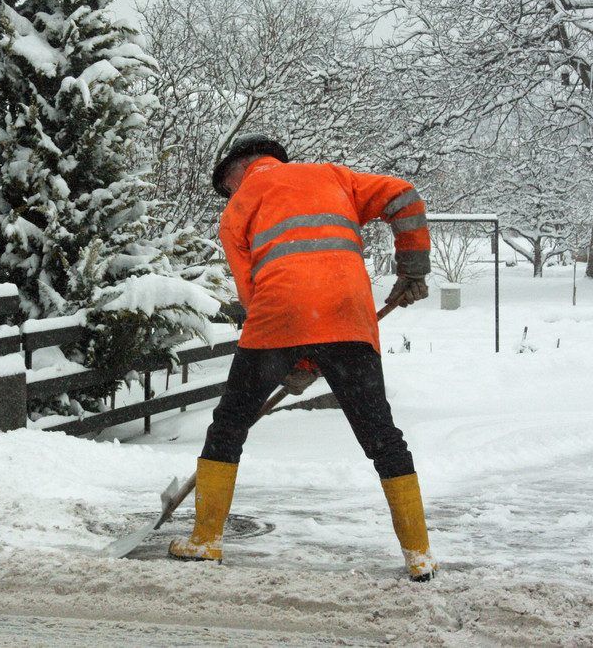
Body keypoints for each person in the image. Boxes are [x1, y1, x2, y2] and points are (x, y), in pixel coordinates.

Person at [168, 134, 437, 582]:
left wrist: (288, 357)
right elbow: (404, 196)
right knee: (382, 436)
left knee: (230, 424)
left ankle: (206, 541)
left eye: (228, 182)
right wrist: (412, 268)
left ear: (241, 167)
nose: (231, 192)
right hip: (349, 317)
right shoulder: (333, 176)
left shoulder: (237, 209)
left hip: (278, 318)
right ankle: (420, 555)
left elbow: (252, 296)